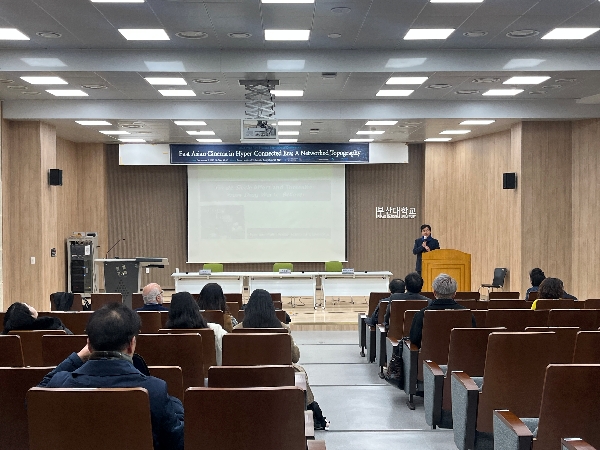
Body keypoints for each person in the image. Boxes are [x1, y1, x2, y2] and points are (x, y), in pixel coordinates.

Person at [38, 303, 184, 450]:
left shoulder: (60, 384)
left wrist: (78, 357)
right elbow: (178, 442)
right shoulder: (154, 390)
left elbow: (37, 394)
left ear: (88, 344)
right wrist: (174, 402)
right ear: (132, 344)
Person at [233, 289, 329, 430]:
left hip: (246, 378)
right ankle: (307, 414)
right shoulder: (283, 329)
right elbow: (295, 357)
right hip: (279, 377)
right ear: (271, 308)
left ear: (248, 308)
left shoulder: (237, 330)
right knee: (300, 373)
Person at [409, 273, 476, 348]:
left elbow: (414, 340)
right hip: (460, 354)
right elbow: (472, 338)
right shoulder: (467, 314)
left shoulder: (421, 314)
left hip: (430, 354)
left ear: (434, 293)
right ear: (454, 294)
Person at [166, 291, 227, 365]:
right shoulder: (215, 329)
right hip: (210, 372)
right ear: (195, 308)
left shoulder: (165, 335)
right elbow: (229, 348)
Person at [2, 302, 72, 335]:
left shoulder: (6, 336)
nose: (31, 306)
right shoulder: (53, 325)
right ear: (29, 316)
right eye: (28, 306)